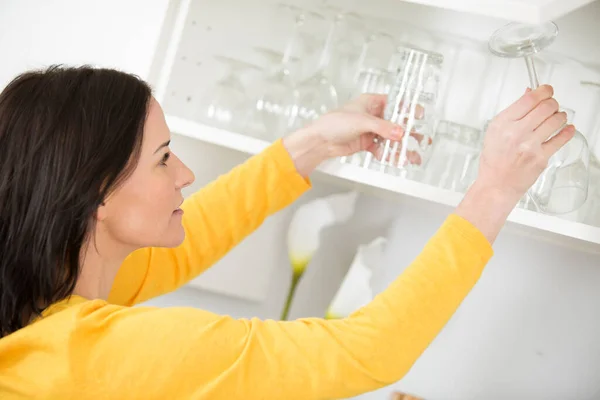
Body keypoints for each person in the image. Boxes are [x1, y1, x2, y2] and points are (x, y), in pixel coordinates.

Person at [0, 66, 572, 400]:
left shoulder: (42, 306)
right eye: (164, 158)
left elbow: (192, 238)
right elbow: (368, 351)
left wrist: (314, 144)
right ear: (98, 192)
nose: (186, 175)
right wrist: (495, 189)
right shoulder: (106, 352)